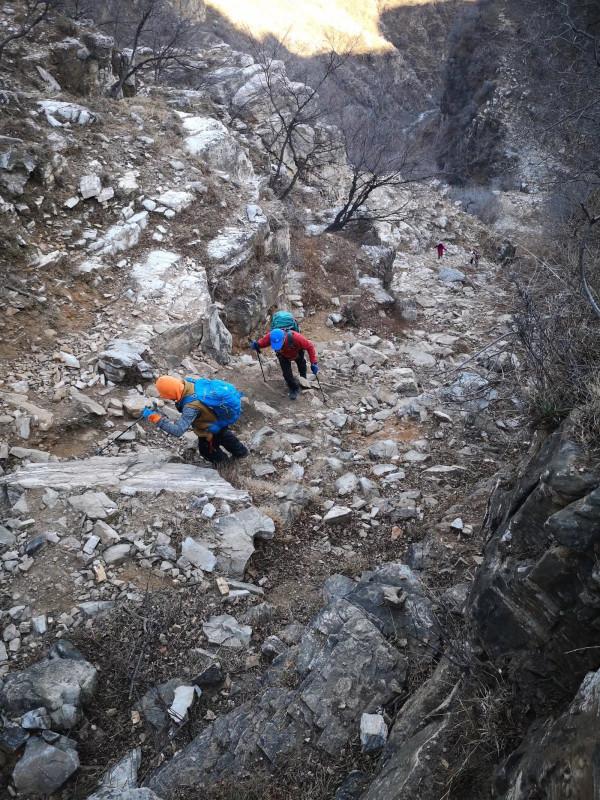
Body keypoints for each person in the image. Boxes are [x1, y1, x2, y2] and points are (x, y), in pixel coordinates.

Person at [141, 375, 248, 465]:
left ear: (170, 393)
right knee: (225, 436)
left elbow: (178, 431)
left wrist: (155, 418)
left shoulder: (191, 407)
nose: (165, 397)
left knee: (207, 451)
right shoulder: (189, 383)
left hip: (209, 428)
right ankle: (242, 454)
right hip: (218, 418)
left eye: (165, 395)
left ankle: (226, 466)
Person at [250, 328, 318, 400]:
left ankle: (303, 380)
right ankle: (293, 388)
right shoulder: (271, 336)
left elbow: (309, 346)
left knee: (302, 366)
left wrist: (313, 363)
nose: (278, 347)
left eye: (279, 344)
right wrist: (257, 344)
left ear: (284, 338)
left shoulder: (297, 338)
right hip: (283, 356)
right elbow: (263, 342)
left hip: (297, 352)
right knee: (287, 374)